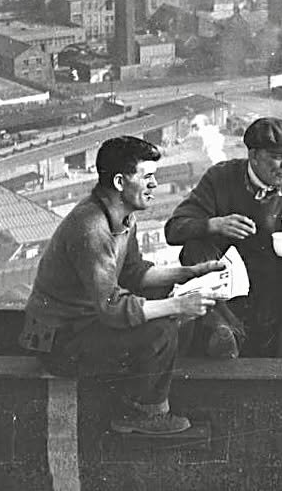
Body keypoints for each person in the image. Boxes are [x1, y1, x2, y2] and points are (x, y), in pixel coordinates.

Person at [20, 136, 224, 435]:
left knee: (162, 302)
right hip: (60, 343)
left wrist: (189, 273)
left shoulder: (123, 216)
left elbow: (134, 274)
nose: (155, 184)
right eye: (148, 177)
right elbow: (113, 307)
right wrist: (178, 305)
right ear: (119, 181)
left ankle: (150, 384)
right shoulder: (92, 227)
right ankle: (142, 413)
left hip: (84, 324)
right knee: (162, 327)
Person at [165, 117, 282, 358]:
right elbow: (174, 229)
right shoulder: (221, 178)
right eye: (277, 156)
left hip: (275, 290)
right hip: (228, 298)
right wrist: (214, 225)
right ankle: (223, 333)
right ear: (254, 155)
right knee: (196, 247)